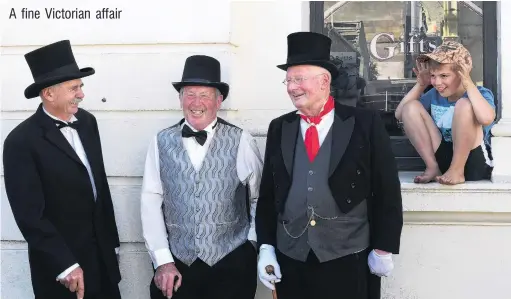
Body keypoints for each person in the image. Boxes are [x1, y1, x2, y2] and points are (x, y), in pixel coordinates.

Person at [255, 32, 403, 299]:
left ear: (324, 81)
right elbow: (269, 193)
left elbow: (387, 189)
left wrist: (384, 247)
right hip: (292, 254)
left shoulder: (365, 123)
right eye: (288, 80)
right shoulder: (280, 127)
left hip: (348, 255)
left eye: (299, 79)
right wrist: (266, 246)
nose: (291, 87)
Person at [2, 40, 121, 299]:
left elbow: (99, 186)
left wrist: (112, 245)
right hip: (63, 272)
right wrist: (65, 265)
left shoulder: (88, 122)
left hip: (102, 262)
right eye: (73, 88)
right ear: (49, 94)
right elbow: (30, 216)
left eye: (80, 86)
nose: (81, 94)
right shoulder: (21, 141)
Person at [140, 55, 263, 299]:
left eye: (205, 95)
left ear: (219, 100)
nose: (196, 102)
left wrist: (250, 245)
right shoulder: (161, 141)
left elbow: (260, 197)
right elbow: (150, 202)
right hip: (177, 267)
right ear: (180, 99)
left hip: (231, 264)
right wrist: (163, 260)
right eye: (190, 94)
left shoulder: (242, 141)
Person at [395, 41, 496, 185]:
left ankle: (457, 169)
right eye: (433, 76)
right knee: (411, 107)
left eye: (444, 75)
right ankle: (432, 167)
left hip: (474, 161)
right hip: (444, 158)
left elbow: (486, 119)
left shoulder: (480, 93)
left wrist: (469, 84)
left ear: (462, 74)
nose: (437, 82)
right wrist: (421, 84)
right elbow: (400, 114)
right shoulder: (434, 95)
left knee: (464, 104)